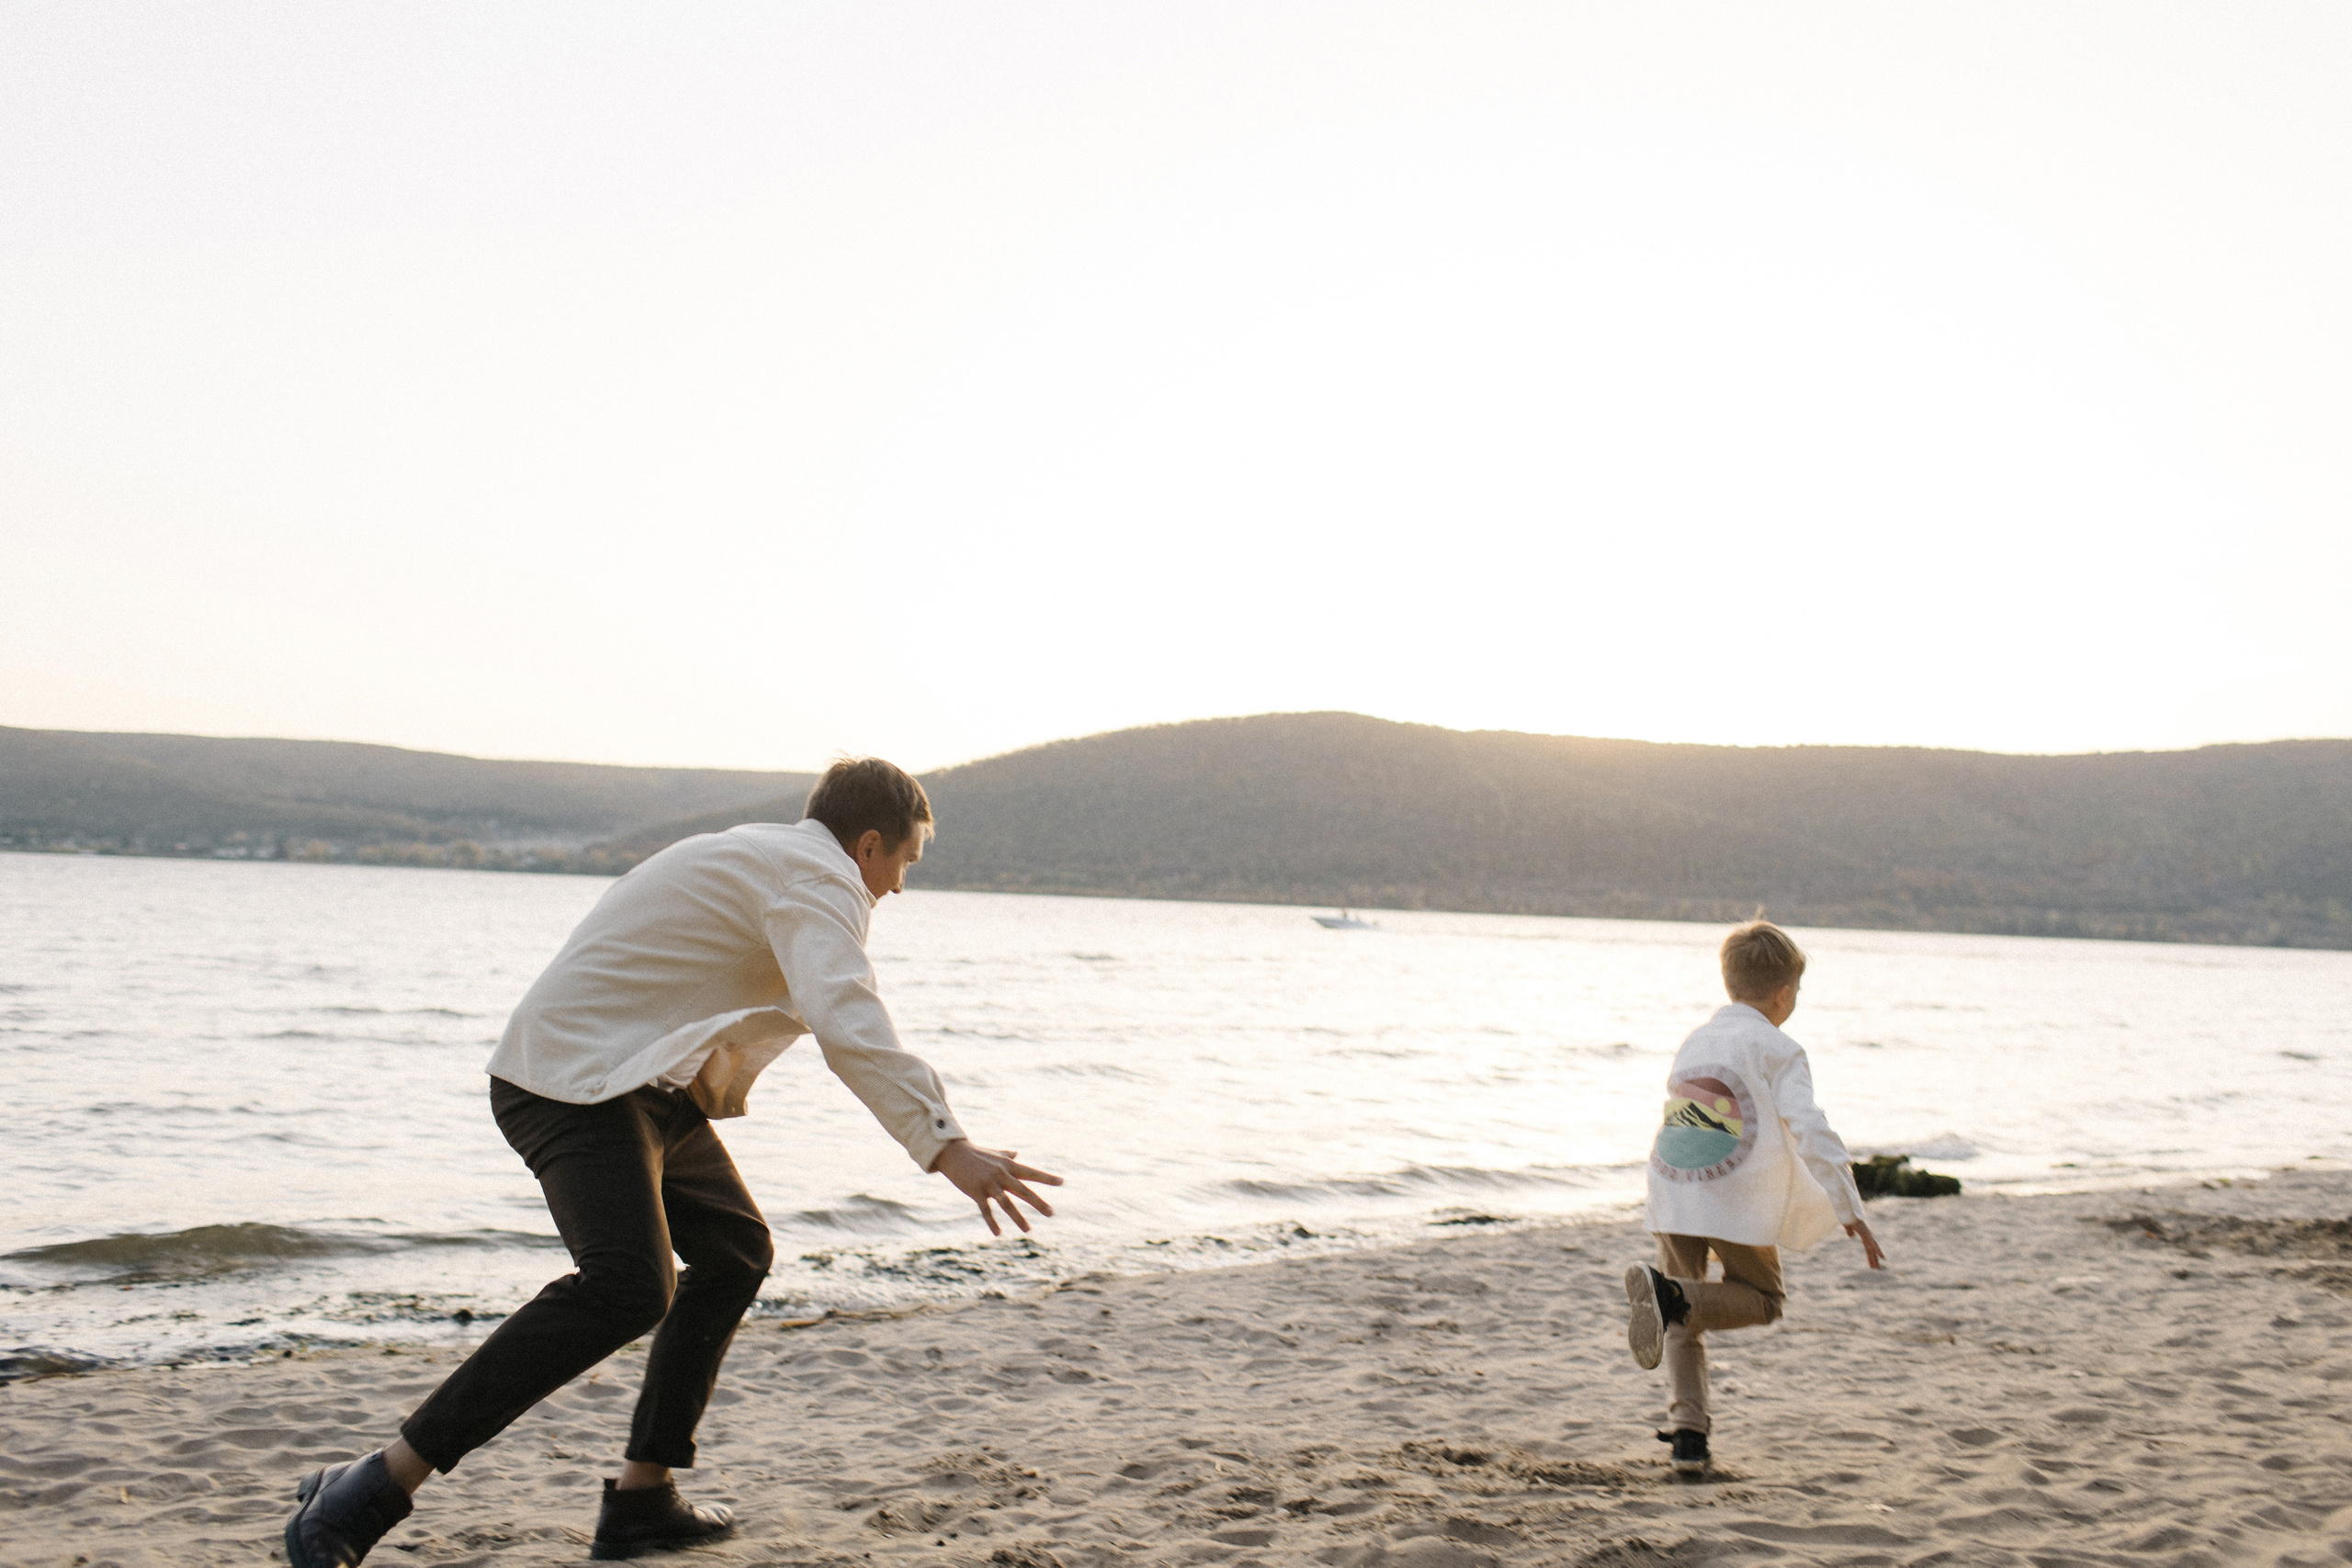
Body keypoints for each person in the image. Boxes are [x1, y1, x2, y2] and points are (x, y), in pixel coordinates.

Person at [284, 757, 1061, 1567]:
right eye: (904, 862)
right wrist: (944, 1143)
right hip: (570, 1084)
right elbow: (848, 1018)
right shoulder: (817, 877)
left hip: (637, 1085)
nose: (899, 886)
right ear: (869, 844)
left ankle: (643, 1498)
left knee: (736, 1251)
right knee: (628, 1284)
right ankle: (368, 1484)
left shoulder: (767, 854)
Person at [1623, 919, 1883, 1475]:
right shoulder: (1780, 1047)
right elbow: (1809, 1125)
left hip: (1672, 1180)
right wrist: (1850, 1208)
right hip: (1730, 1190)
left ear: (1729, 982)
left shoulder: (1697, 1037)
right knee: (1761, 1299)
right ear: (1784, 994)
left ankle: (1690, 1436)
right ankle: (1669, 1297)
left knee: (1682, 1310)